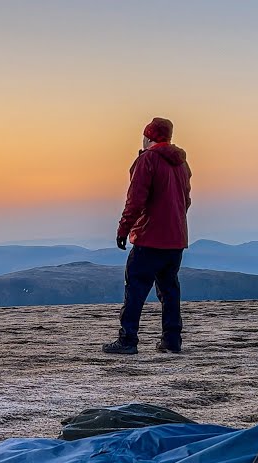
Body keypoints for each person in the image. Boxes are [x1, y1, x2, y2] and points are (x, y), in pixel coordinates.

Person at [103, 117, 191, 355]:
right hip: (176, 238)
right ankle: (172, 340)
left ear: (148, 137)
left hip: (149, 236)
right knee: (169, 290)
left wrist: (124, 229)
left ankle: (127, 339)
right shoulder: (181, 163)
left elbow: (136, 200)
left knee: (135, 288)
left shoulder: (148, 160)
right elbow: (186, 200)